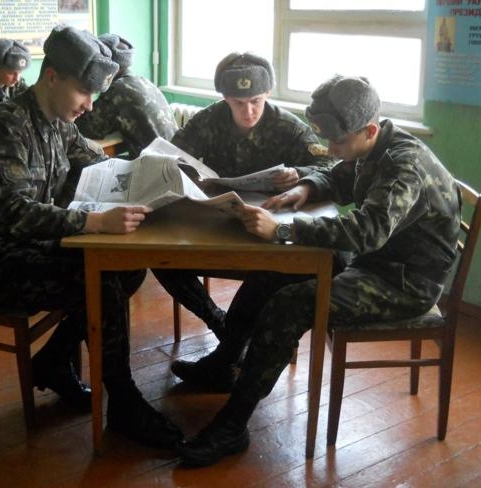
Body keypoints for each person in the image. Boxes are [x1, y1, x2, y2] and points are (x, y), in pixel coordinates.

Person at [172, 75, 462, 466]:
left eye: (337, 142)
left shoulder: (402, 166)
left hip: (404, 283)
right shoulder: (375, 146)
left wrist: (284, 230)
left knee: (289, 305)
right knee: (272, 272)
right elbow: (337, 177)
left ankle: (233, 425)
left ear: (369, 129)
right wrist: (306, 187)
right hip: (373, 264)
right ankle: (225, 362)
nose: (331, 149)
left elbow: (367, 232)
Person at [0, 25, 182, 449]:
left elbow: (98, 162)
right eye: (83, 93)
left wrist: (155, 179)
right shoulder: (4, 127)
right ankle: (123, 403)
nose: (89, 106)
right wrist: (95, 222)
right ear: (51, 77)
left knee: (126, 269)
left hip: (31, 248)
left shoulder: (57, 122)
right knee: (100, 283)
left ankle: (53, 362)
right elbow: (12, 214)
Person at [152, 52, 332, 341]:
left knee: (280, 273)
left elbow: (328, 166)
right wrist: (190, 176)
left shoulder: (287, 126)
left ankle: (243, 338)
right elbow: (171, 157)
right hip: (215, 223)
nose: (249, 111)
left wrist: (300, 175)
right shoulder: (208, 120)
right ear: (225, 98)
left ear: (267, 93)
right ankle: (219, 322)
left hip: (268, 226)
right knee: (162, 259)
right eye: (238, 103)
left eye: (256, 101)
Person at [75, 33, 178, 159]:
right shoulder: (144, 82)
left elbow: (88, 129)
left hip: (154, 166)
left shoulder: (118, 89)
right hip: (172, 162)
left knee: (92, 163)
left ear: (112, 66)